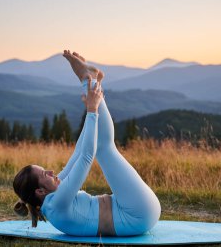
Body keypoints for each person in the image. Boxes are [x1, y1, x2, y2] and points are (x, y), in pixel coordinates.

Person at [13, 50, 161, 236]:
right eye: (45, 174)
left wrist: (93, 108)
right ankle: (88, 80)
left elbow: (78, 152)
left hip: (128, 208)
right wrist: (92, 110)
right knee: (104, 149)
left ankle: (89, 81)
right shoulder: (58, 202)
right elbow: (85, 158)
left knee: (103, 147)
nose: (51, 172)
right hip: (137, 215)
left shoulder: (53, 195)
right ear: (40, 191)